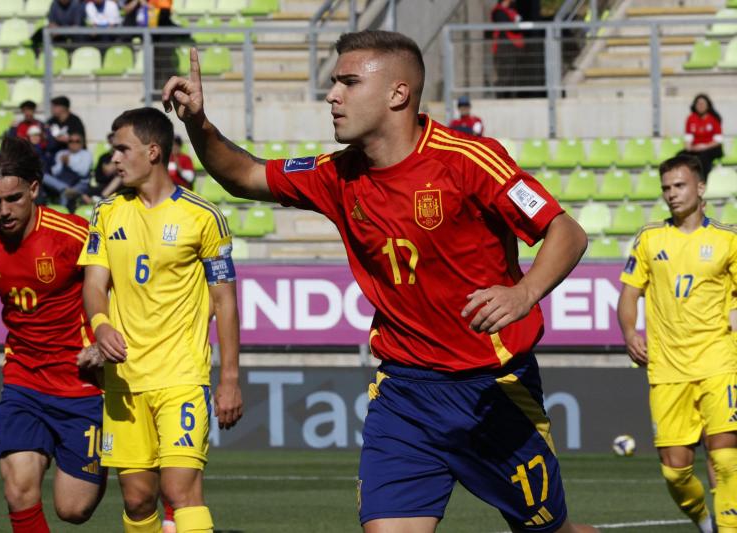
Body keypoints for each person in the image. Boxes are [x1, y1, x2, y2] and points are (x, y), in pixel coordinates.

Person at [163, 31, 595, 533]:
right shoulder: (336, 175)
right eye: (333, 82)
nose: (332, 95)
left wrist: (525, 292)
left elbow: (566, 230)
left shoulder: (468, 160)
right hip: (405, 393)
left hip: (491, 390)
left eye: (348, 82)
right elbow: (244, 176)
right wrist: (197, 123)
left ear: (397, 94)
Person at [77, 107, 243, 533]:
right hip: (125, 378)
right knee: (136, 500)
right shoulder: (106, 213)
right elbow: (94, 283)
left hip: (181, 376)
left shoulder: (202, 216)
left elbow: (224, 301)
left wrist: (229, 378)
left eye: (121, 149)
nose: (113, 159)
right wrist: (101, 325)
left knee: (180, 490)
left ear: (152, 151)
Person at [0, 136, 107, 533]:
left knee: (73, 510)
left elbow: (114, 289)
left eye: (14, 199)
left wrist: (103, 342)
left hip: (82, 386)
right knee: (18, 489)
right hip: (24, 382)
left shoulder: (72, 234)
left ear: (35, 189)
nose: (3, 211)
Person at [617, 154, 737, 533]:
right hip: (667, 368)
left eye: (679, 185)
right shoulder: (651, 238)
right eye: (666, 188)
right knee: (675, 472)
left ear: (700, 188)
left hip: (719, 362)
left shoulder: (727, 239)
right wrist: (630, 333)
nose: (672, 194)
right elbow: (629, 294)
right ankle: (704, 522)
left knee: (726, 462)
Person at [678, 94, 723, 181]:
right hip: (695, 148)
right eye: (698, 104)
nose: (700, 106)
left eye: (703, 104)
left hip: (711, 147)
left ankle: (702, 182)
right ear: (695, 105)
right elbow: (688, 138)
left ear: (708, 105)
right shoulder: (691, 118)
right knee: (680, 156)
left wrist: (703, 147)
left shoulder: (714, 118)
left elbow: (718, 140)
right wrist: (689, 148)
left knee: (703, 158)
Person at [43, 131, 93, 208]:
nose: (74, 143)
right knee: (43, 176)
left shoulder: (86, 154)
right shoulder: (61, 153)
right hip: (62, 181)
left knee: (65, 194)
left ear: (82, 143)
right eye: (71, 141)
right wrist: (61, 163)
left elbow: (83, 172)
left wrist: (69, 163)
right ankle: (65, 188)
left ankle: (63, 214)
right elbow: (55, 172)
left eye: (77, 141)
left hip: (79, 183)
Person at [491, 0, 525, 99]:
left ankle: (512, 98)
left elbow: (520, 25)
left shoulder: (511, 10)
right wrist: (517, 24)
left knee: (514, 77)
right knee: (505, 76)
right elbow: (512, 27)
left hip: (514, 48)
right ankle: (501, 98)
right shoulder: (499, 12)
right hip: (504, 48)